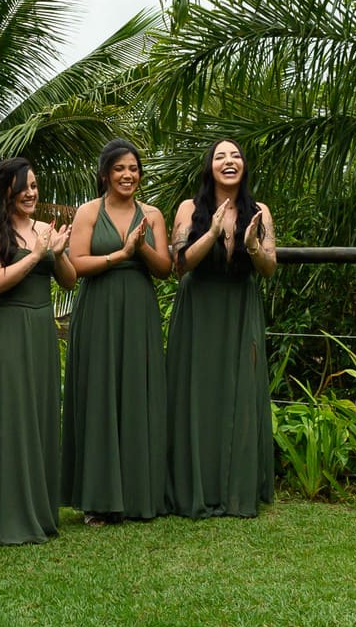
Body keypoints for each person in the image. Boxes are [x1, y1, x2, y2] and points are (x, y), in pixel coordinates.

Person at [63, 138, 172, 523]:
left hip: (139, 309)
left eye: (133, 168)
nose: (128, 175)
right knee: (101, 395)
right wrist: (120, 255)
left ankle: (141, 496)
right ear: (105, 174)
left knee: (137, 394)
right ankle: (99, 499)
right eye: (120, 168)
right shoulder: (89, 212)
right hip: (99, 309)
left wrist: (140, 250)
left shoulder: (153, 214)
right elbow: (75, 265)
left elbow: (165, 268)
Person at [167, 140, 277, 519]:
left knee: (239, 392)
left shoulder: (259, 212)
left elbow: (269, 267)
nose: (229, 162)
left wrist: (252, 246)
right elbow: (179, 264)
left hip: (240, 308)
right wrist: (212, 234)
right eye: (220, 157)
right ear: (209, 168)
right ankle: (194, 489)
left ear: (244, 167)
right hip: (199, 308)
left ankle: (236, 493)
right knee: (197, 393)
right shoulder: (189, 209)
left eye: (235, 157)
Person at [0, 158, 76, 544]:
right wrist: (36, 255)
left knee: (39, 413)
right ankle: (7, 513)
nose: (32, 193)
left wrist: (60, 252)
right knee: (10, 416)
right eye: (24, 186)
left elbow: (68, 280)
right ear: (6, 191)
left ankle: (41, 508)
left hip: (40, 329)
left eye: (35, 185)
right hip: (6, 329)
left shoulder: (44, 230)